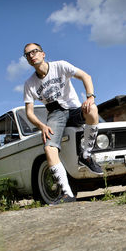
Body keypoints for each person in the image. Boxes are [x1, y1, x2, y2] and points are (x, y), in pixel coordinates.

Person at [23, 43, 103, 205]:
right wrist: (42, 126)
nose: (32, 55)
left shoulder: (60, 66)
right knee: (49, 148)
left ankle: (86, 155)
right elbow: (29, 112)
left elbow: (86, 76)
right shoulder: (29, 84)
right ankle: (67, 193)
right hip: (55, 115)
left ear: (43, 54)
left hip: (74, 109)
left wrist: (90, 97)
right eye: (27, 54)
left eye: (34, 52)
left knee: (92, 110)